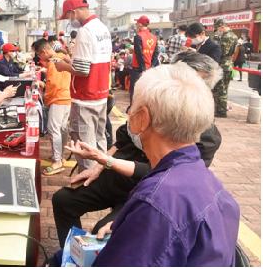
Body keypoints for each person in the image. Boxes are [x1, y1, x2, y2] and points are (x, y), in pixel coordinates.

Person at [67, 62, 240, 266]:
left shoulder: (156, 201)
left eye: (132, 107)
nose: (128, 114)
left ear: (142, 118)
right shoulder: (210, 184)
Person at [55, 0, 112, 172]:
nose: (69, 21)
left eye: (68, 17)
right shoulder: (103, 28)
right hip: (101, 94)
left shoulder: (85, 31)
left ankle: (88, 185)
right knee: (99, 140)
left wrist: (62, 66)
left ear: (73, 12)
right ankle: (102, 179)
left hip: (85, 97)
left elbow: (82, 70)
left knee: (85, 148)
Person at [33, 39, 71, 176]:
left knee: (53, 128)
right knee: (62, 128)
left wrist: (45, 93)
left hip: (58, 97)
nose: (39, 58)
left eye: (39, 55)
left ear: (43, 52)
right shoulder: (61, 57)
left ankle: (57, 160)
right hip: (66, 96)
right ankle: (60, 155)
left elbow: (53, 84)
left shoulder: (54, 61)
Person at [212, 18, 239, 117]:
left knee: (220, 89)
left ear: (222, 26)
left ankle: (221, 111)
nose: (218, 31)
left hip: (223, 64)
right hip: (228, 64)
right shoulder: (234, 36)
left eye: (218, 28)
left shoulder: (226, 37)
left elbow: (222, 52)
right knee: (224, 88)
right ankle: (220, 109)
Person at [129, 15, 158, 103]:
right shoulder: (154, 37)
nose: (136, 24)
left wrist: (143, 69)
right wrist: (150, 67)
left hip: (138, 69)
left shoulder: (138, 36)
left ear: (140, 25)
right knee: (146, 92)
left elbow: (139, 54)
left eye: (137, 23)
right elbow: (156, 53)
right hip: (149, 69)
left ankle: (133, 109)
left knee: (134, 92)